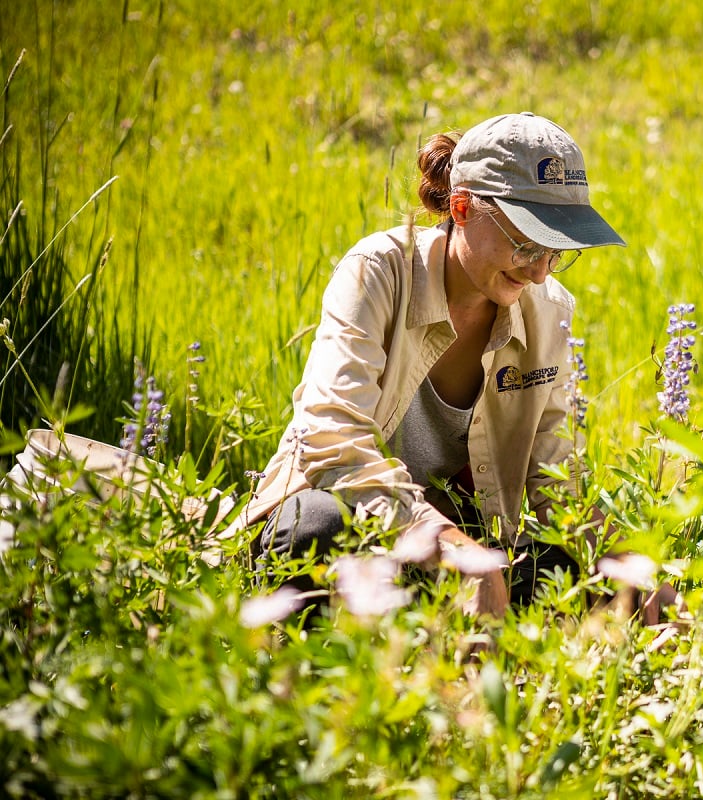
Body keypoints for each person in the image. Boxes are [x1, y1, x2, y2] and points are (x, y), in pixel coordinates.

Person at [234, 112, 677, 621]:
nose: (537, 271)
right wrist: (444, 543)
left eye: (556, 250)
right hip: (365, 537)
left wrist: (623, 564)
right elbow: (331, 437)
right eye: (525, 242)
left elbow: (557, 476)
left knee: (568, 568)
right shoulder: (379, 272)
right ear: (462, 207)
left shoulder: (549, 308)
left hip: (473, 553)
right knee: (318, 525)